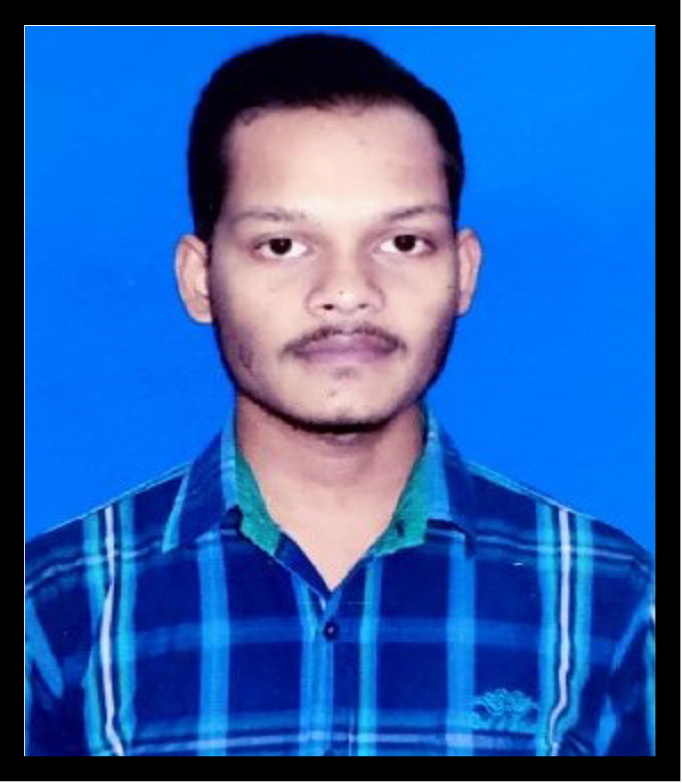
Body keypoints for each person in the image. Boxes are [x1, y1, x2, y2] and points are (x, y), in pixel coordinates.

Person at [25, 31, 655, 757]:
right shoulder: (59, 602)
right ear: (200, 280)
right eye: (283, 245)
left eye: (404, 242)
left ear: (463, 271)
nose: (348, 291)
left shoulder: (609, 598)